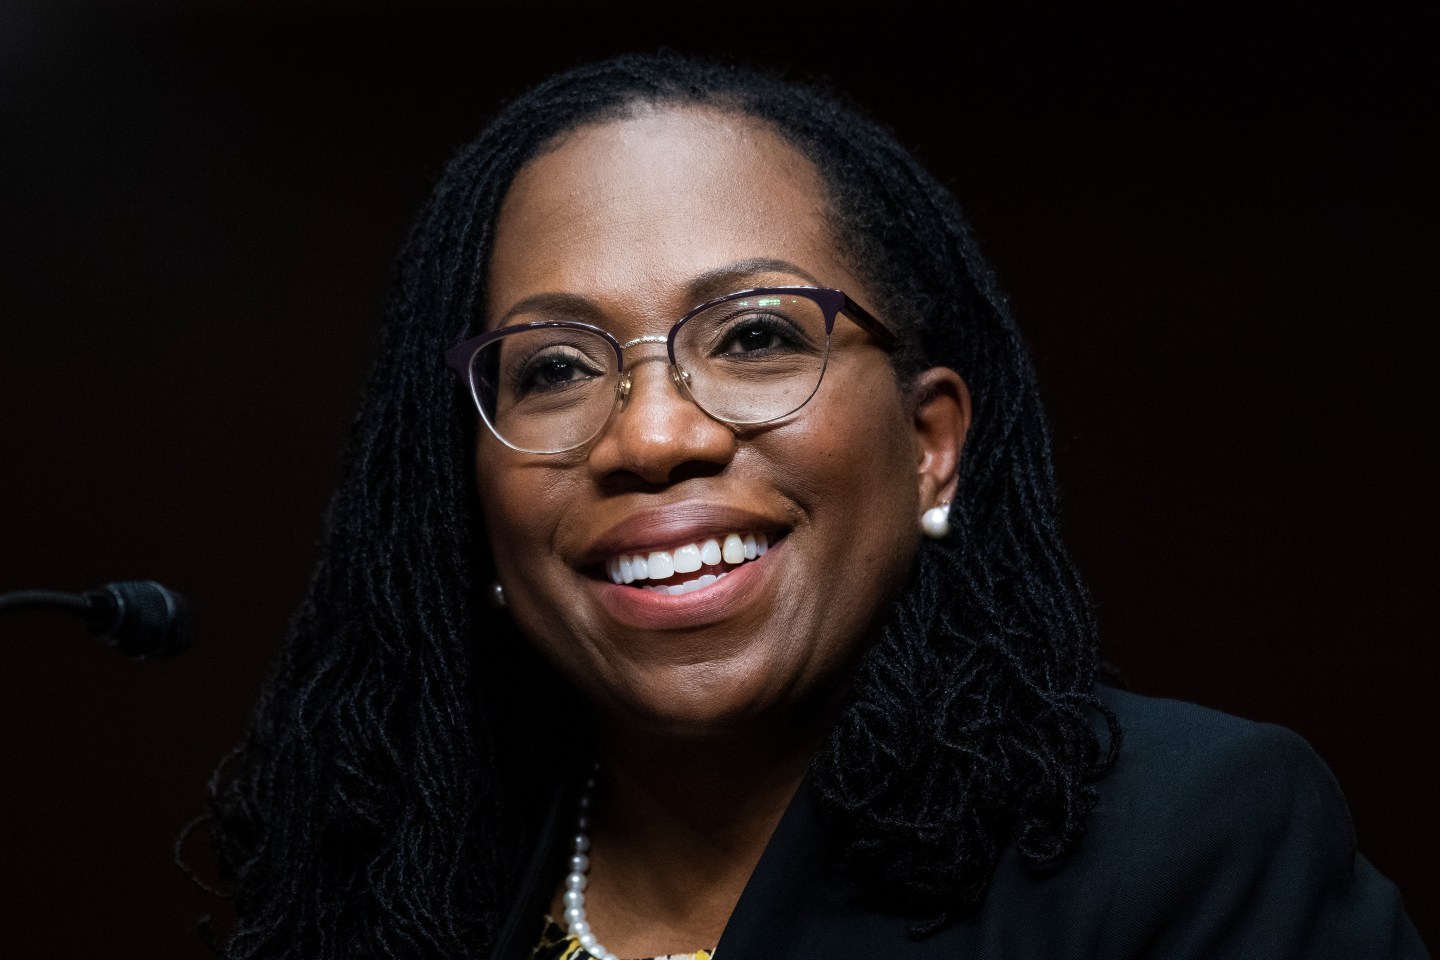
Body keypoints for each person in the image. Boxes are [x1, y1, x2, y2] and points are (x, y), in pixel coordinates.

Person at [203, 53, 1428, 960]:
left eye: (752, 336)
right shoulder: (391, 896)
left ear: (931, 446)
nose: (654, 436)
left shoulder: (1189, 843)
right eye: (557, 368)